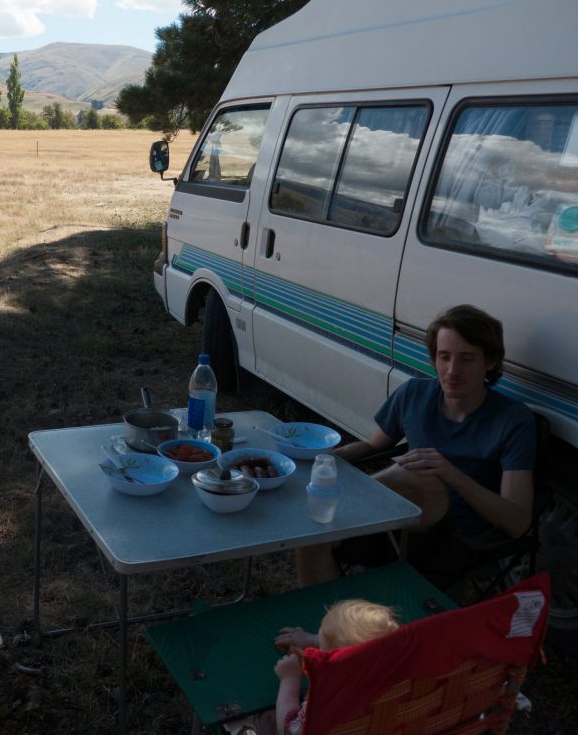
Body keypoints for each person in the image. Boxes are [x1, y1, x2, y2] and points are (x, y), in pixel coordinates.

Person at [297, 304, 537, 587]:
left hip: (455, 540)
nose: (451, 371)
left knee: (423, 475)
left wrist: (453, 476)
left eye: (467, 359)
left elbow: (518, 522)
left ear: (491, 361)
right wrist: (319, 462)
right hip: (392, 522)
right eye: (443, 357)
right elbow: (373, 446)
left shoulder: (513, 420)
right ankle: (327, 626)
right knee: (309, 538)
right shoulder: (414, 394)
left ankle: (336, 517)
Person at [225, 599, 401, 735]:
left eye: (322, 647)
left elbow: (289, 730)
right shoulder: (397, 679)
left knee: (263, 722)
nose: (318, 648)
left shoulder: (327, 699)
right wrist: (313, 640)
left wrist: (290, 680)